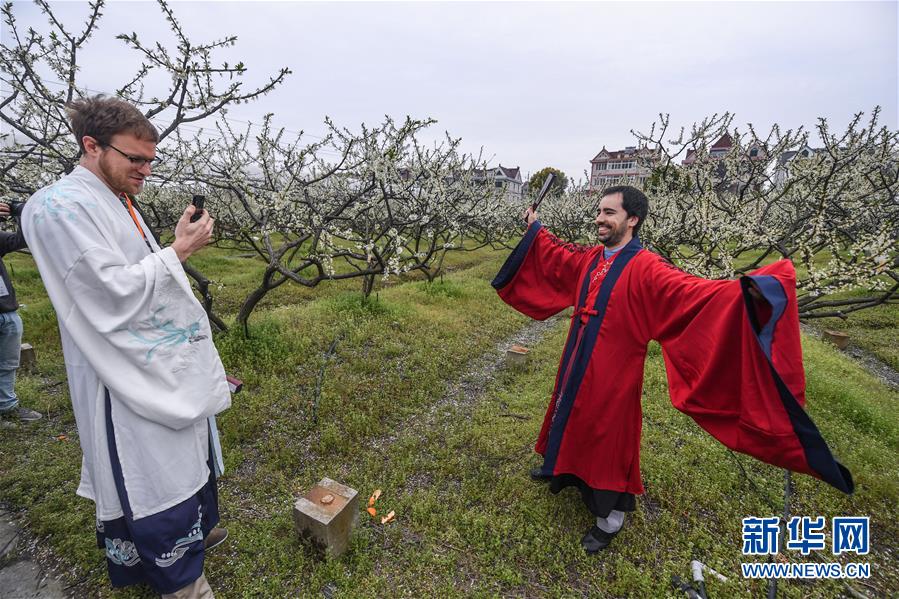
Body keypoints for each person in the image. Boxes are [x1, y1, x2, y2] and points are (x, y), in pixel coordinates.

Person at [491, 185, 852, 554]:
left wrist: (756, 291)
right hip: (577, 356)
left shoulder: (648, 267)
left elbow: (695, 295)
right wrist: (536, 227)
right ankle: (562, 468)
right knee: (569, 409)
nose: (600, 218)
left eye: (609, 213)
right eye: (600, 211)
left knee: (606, 432)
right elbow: (558, 255)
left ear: (632, 220)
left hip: (613, 370)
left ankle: (610, 517)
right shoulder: (593, 258)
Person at [21, 95, 231, 598]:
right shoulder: (57, 207)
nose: (146, 171)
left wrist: (170, 249)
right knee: (149, 474)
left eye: (151, 160)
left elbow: (137, 272)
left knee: (182, 457)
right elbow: (106, 291)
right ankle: (181, 579)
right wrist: (177, 252)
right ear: (91, 146)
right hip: (122, 373)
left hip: (156, 361)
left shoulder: (115, 199)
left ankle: (191, 542)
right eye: (135, 159)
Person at [0, 200, 41, 423]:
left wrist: (19, 212)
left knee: (7, 363)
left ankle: (7, 407)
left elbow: (21, 240)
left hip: (7, 313)